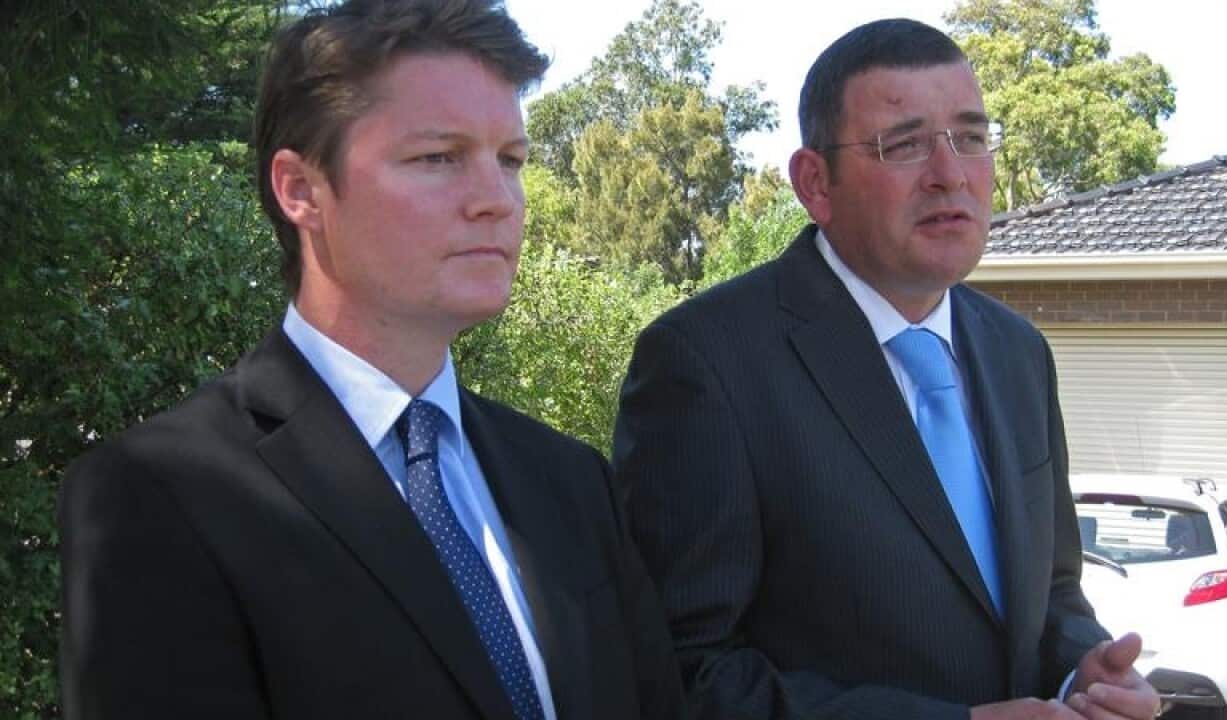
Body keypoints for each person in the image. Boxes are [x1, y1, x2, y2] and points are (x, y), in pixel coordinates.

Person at [59, 1, 683, 718]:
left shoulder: (572, 481)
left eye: (510, 160)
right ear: (301, 190)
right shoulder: (160, 495)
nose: (498, 200)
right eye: (437, 158)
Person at [612, 18, 1161, 720]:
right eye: (902, 145)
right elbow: (680, 673)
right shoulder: (705, 364)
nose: (951, 173)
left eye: (971, 137)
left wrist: (1081, 676)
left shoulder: (1019, 353)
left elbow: (1051, 594)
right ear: (815, 183)